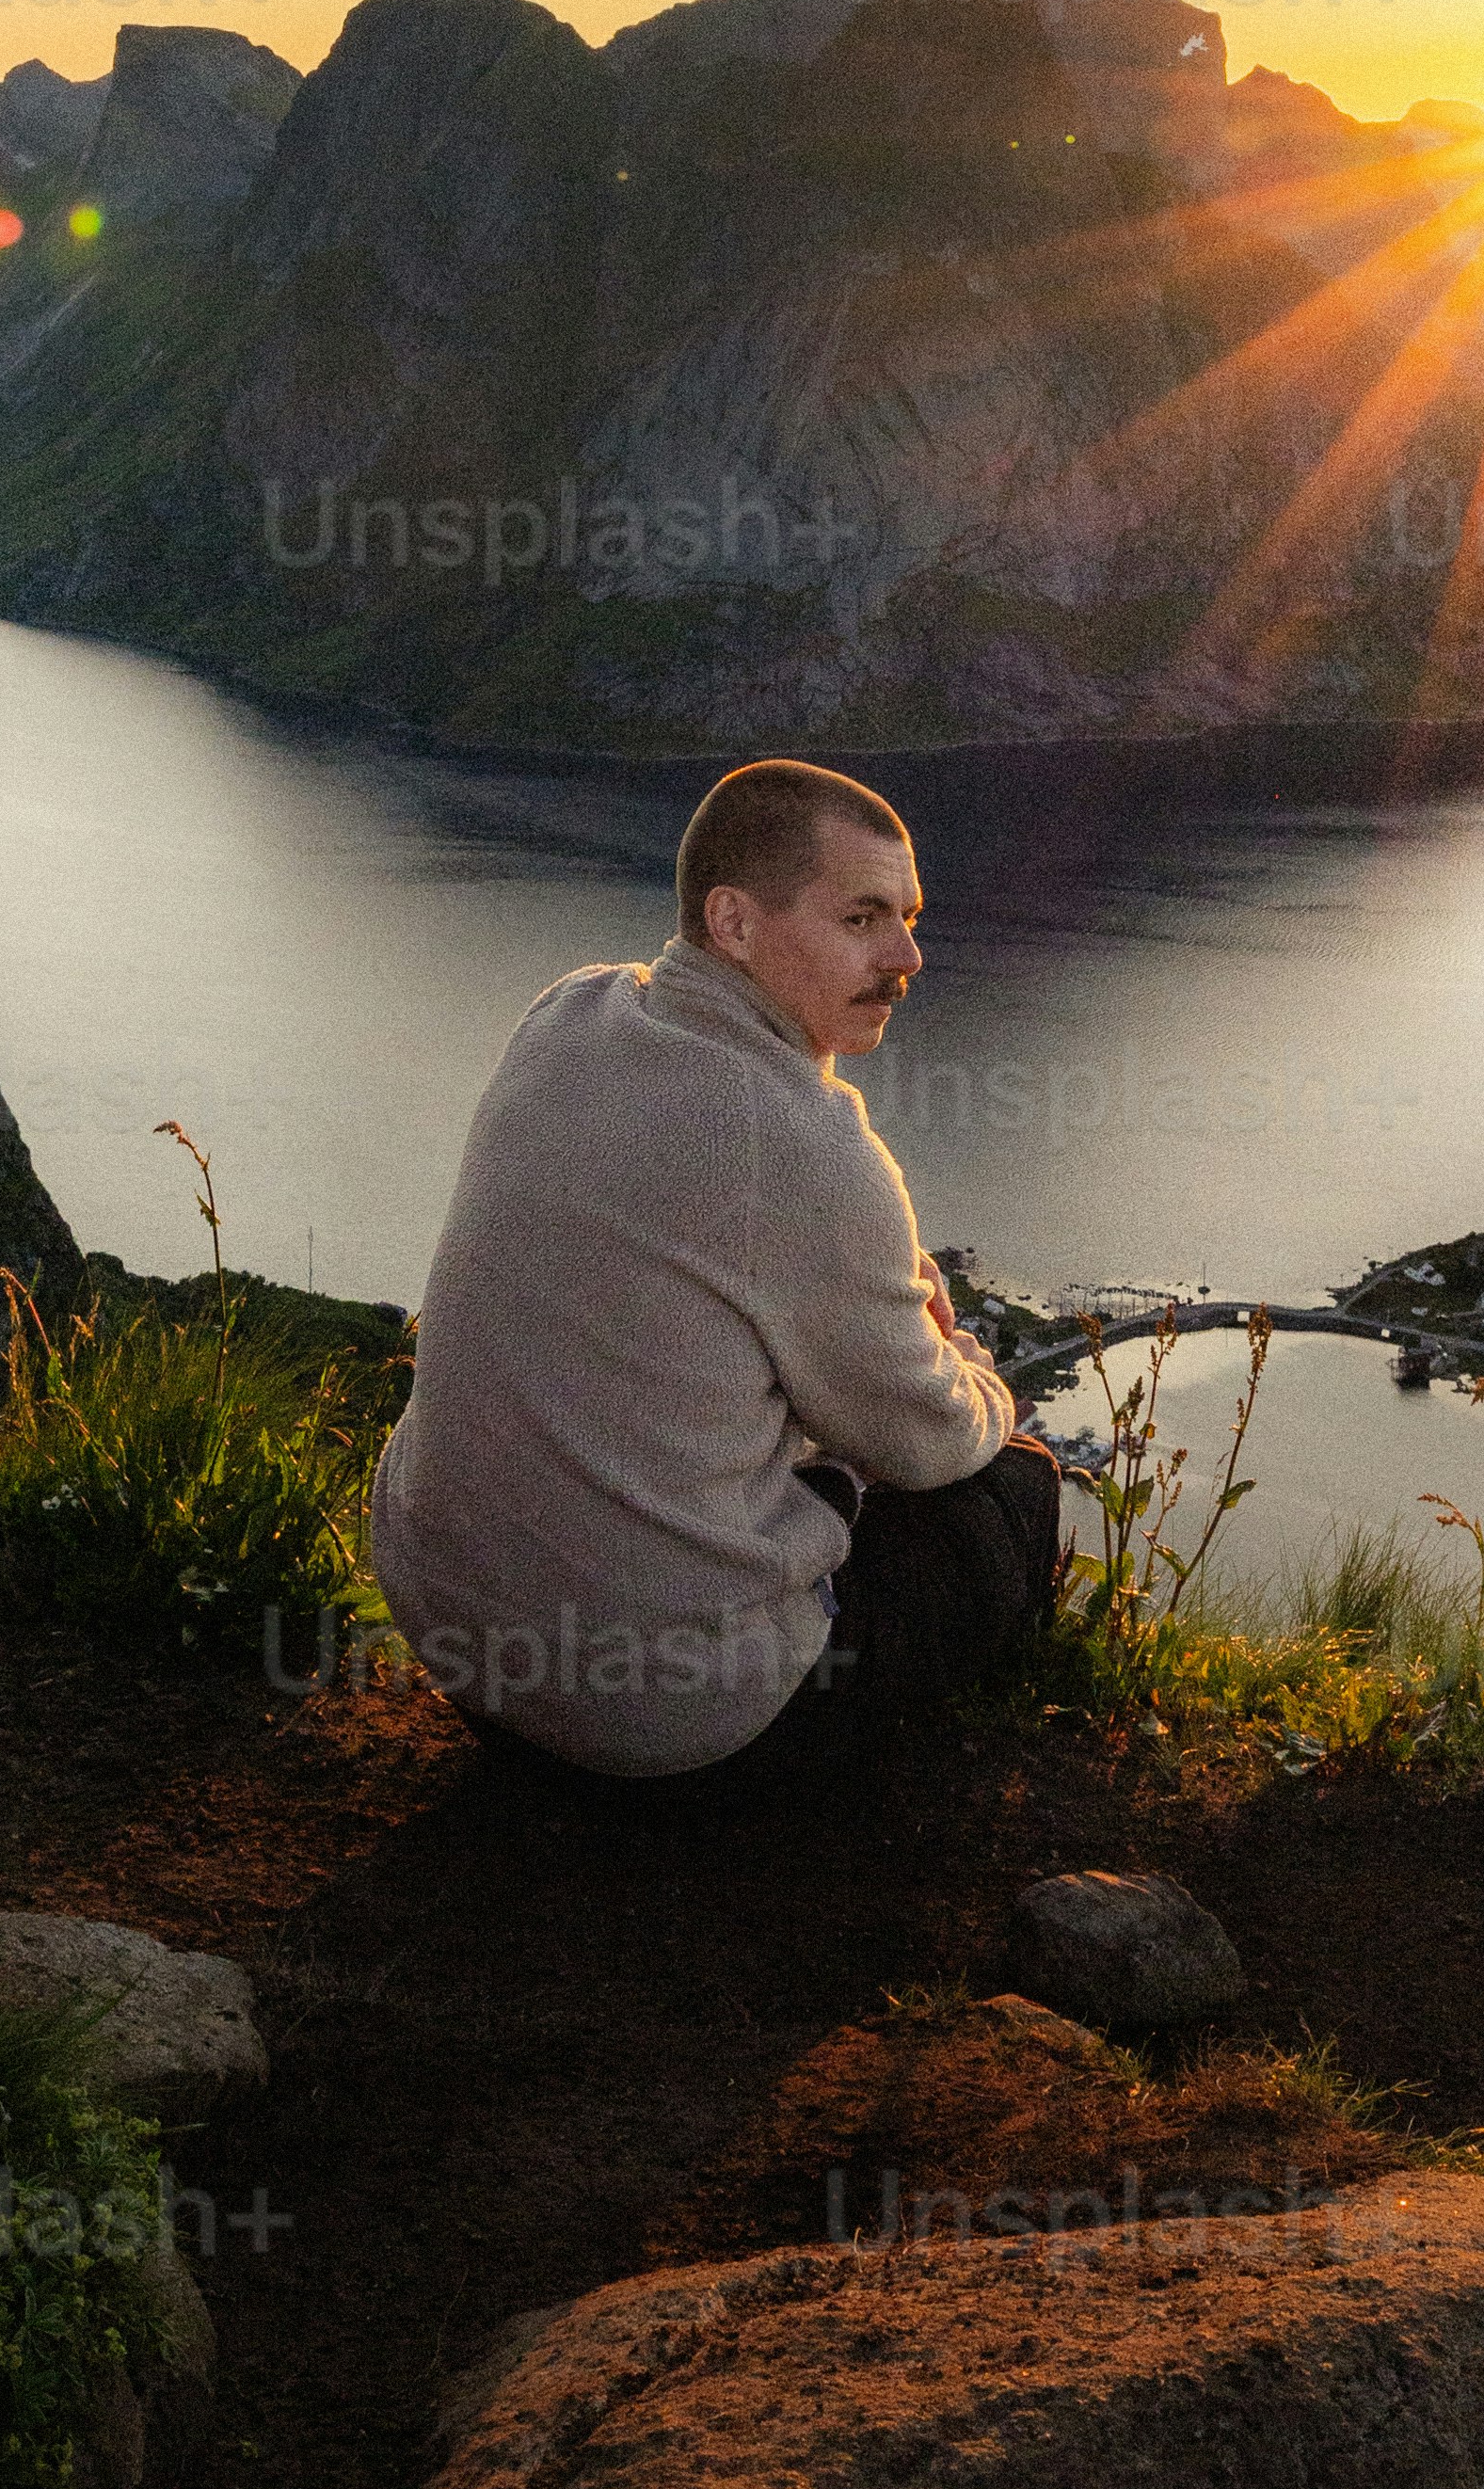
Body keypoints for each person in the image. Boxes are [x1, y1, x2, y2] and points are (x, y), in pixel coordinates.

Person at [368, 754, 1068, 1784]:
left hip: (455, 1640)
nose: (909, 955)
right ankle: (960, 1790)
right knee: (1009, 1488)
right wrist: (964, 1362)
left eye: (908, 916)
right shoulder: (804, 1145)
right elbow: (928, 1442)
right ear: (734, 923)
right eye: (861, 919)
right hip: (655, 1727)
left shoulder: (569, 1012)